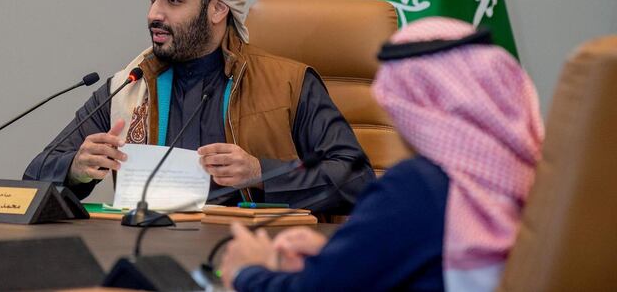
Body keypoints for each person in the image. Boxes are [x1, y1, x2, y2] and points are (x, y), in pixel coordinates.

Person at [23, 0, 374, 214]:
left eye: (173, 0)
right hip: (150, 257)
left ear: (218, 9)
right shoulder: (131, 84)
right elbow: (34, 176)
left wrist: (259, 172)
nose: (154, 14)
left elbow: (357, 180)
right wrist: (76, 167)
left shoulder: (289, 84)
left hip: (253, 262)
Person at [219, 17, 544, 292]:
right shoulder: (533, 175)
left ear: (412, 107)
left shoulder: (420, 186)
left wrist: (249, 270)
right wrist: (337, 253)